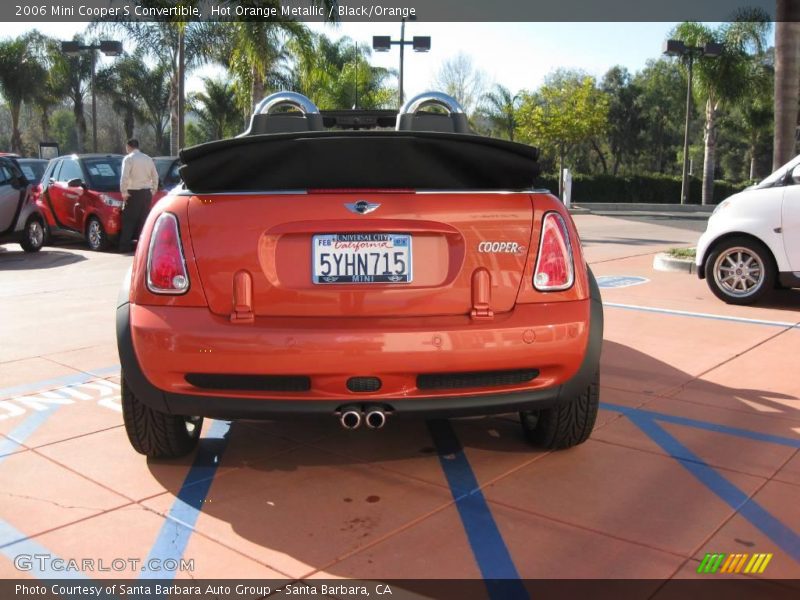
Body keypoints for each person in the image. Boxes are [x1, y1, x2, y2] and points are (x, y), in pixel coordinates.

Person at [119, 138, 159, 253]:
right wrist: (153, 190)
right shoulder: (148, 159)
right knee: (143, 220)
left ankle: (125, 246)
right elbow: (155, 176)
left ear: (129, 146)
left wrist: (124, 192)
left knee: (129, 220)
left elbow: (124, 177)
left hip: (133, 192)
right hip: (146, 193)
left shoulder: (128, 159)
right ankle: (144, 247)